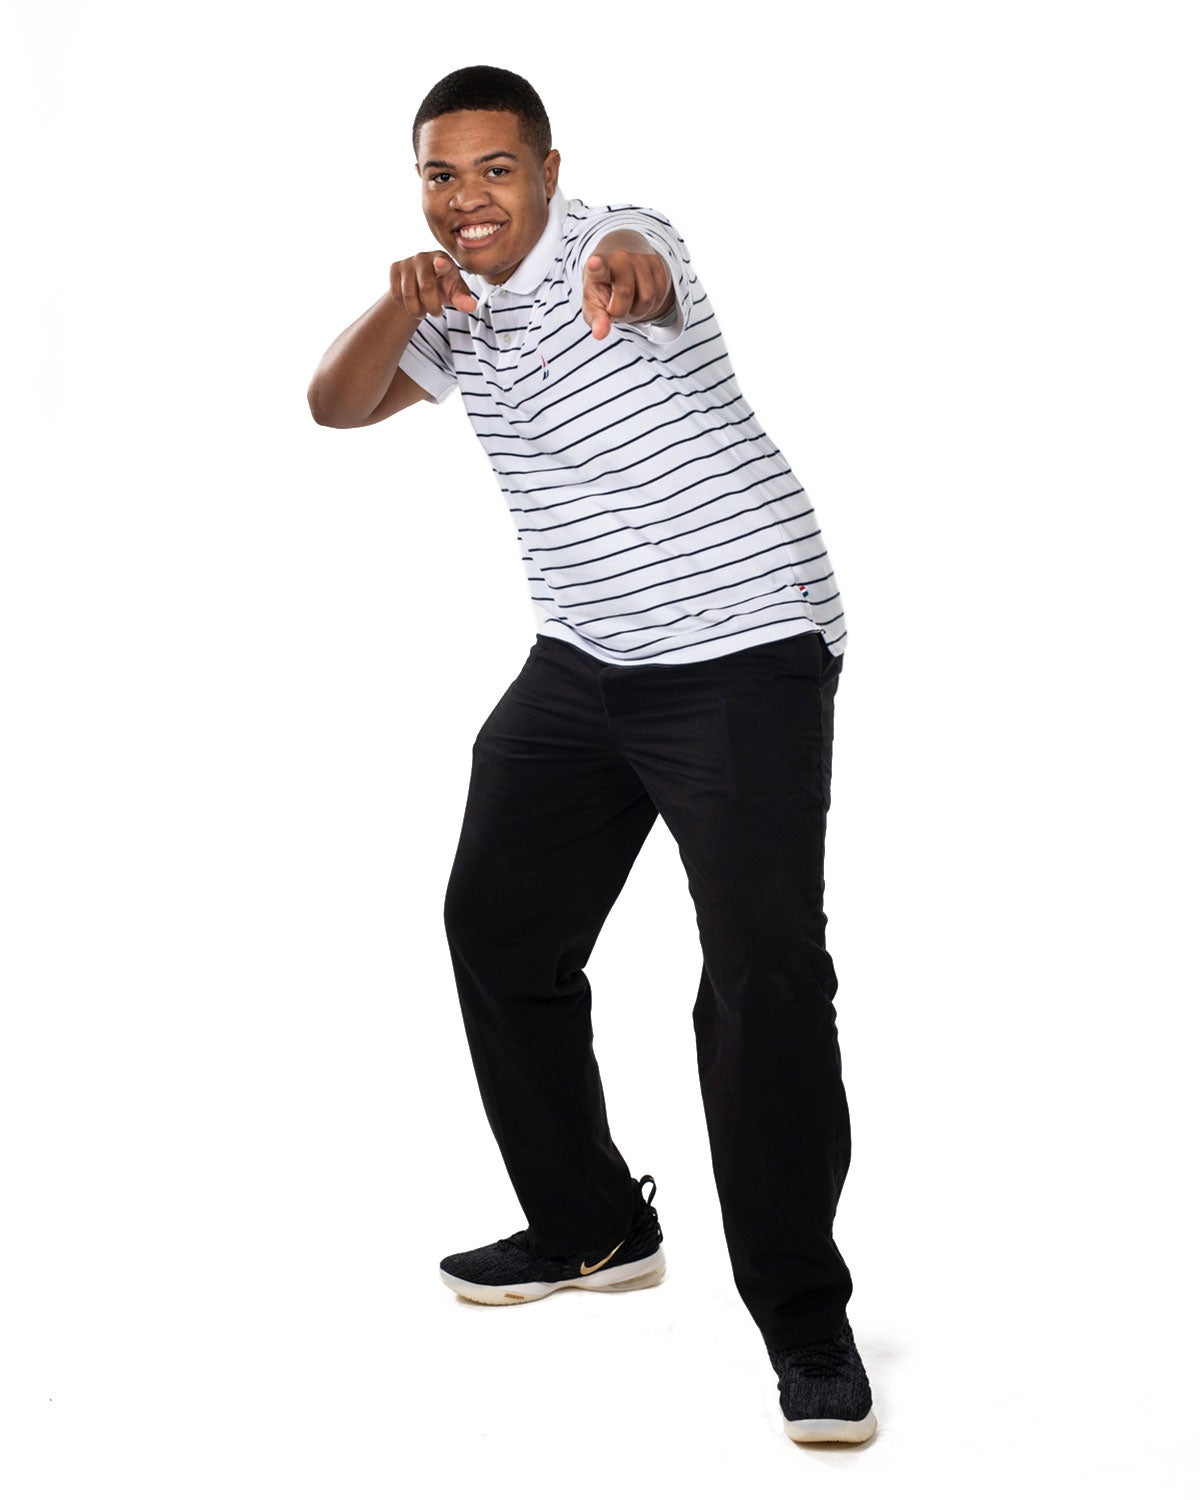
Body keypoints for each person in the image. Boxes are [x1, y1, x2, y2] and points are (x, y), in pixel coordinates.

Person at [307, 64, 876, 1447]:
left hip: (744, 645)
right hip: (589, 657)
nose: (469, 200)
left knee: (761, 980)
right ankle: (592, 1230)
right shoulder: (452, 310)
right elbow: (334, 405)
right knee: (497, 922)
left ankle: (805, 1317)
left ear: (549, 172)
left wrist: (623, 274)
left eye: (495, 171)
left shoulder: (620, 236)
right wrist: (402, 296)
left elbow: (649, 269)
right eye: (442, 176)